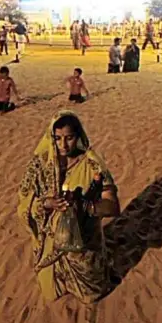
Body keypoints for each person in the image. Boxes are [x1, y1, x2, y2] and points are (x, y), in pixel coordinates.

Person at [17, 111, 120, 303]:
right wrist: (46, 204)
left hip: (83, 239)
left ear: (78, 136)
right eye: (57, 138)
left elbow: (113, 207)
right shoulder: (41, 164)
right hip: (51, 239)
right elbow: (24, 200)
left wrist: (85, 206)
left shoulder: (92, 165)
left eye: (69, 138)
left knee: (91, 294)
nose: (63, 145)